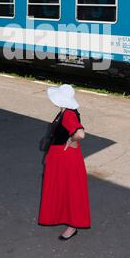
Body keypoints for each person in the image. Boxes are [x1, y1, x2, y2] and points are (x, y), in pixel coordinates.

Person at [38, 84, 91, 240]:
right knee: (62, 189)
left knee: (71, 190)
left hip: (66, 159)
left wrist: (71, 138)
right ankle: (63, 218)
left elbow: (80, 134)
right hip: (60, 157)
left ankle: (73, 226)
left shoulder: (68, 114)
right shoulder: (64, 111)